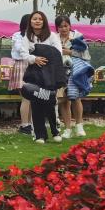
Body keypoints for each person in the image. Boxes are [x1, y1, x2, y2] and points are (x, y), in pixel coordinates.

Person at [21, 11, 65, 142]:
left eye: (40, 19)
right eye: (34, 19)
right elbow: (23, 54)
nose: (37, 21)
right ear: (30, 21)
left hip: (50, 74)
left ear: (44, 21)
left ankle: (55, 131)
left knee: (50, 101)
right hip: (35, 73)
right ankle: (40, 135)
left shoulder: (52, 36)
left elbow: (58, 52)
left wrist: (45, 59)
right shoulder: (27, 37)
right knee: (36, 102)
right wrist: (34, 59)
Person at [54, 15, 91, 138]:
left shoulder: (77, 37)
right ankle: (68, 129)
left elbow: (86, 55)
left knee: (75, 98)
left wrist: (69, 52)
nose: (63, 29)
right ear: (57, 28)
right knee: (63, 101)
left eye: (65, 26)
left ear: (70, 25)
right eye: (60, 26)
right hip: (60, 72)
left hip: (75, 71)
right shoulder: (54, 38)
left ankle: (79, 126)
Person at [9, 13, 33, 135]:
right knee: (26, 97)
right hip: (22, 65)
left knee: (30, 98)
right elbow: (19, 48)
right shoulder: (17, 35)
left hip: (32, 65)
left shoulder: (35, 36)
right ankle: (25, 124)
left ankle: (28, 124)